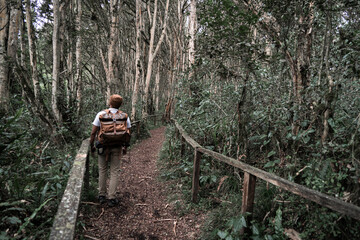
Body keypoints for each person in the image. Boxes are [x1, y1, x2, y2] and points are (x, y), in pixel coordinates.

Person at [90, 94, 131, 207]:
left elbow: (93, 132)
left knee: (102, 170)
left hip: (103, 146)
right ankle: (111, 197)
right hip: (117, 146)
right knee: (114, 172)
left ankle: (101, 195)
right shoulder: (124, 116)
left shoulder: (101, 114)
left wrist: (92, 146)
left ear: (110, 103)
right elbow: (128, 133)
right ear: (120, 104)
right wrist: (125, 147)